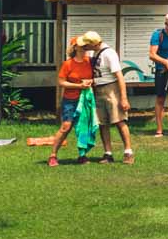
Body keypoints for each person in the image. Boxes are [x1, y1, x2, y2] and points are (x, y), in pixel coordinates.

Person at [81, 31, 134, 164]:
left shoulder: (109, 53)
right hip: (98, 89)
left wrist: (123, 98)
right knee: (102, 122)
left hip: (111, 89)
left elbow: (119, 76)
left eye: (87, 44)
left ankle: (128, 152)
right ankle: (107, 153)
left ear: (93, 44)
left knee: (119, 120)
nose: (85, 47)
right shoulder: (93, 53)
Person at [48, 39, 94, 166]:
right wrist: (79, 85)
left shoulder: (90, 62)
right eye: (81, 45)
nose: (84, 47)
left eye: (85, 45)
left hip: (85, 99)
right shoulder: (68, 64)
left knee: (83, 128)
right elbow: (61, 82)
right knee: (66, 127)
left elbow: (95, 77)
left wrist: (89, 81)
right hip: (70, 100)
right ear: (75, 48)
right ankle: (53, 155)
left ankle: (82, 155)